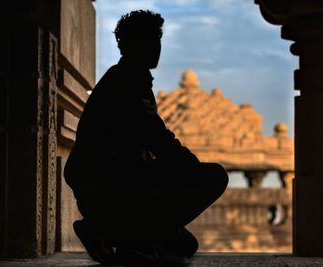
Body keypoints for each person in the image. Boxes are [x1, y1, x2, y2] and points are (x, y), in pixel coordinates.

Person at [64, 10, 228, 266]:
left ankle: (123, 236)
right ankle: (121, 237)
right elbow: (159, 140)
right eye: (153, 40)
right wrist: (194, 169)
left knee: (186, 245)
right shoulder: (128, 81)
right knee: (215, 176)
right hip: (112, 188)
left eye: (158, 40)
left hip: (109, 184)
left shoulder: (121, 77)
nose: (158, 48)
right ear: (136, 45)